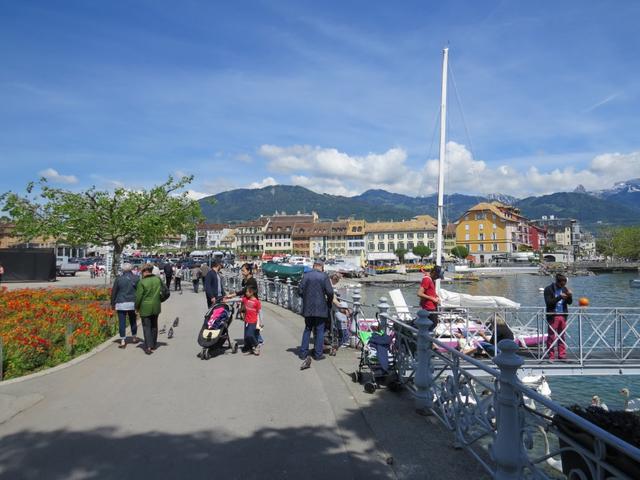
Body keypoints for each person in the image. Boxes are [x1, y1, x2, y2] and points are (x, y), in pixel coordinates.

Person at [298, 259, 334, 369]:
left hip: (308, 308)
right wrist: (328, 302)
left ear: (314, 266)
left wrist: (306, 298)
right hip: (320, 308)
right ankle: (318, 354)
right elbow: (330, 292)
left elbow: (300, 291)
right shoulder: (324, 276)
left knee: (307, 329)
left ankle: (303, 353)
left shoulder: (306, 276)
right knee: (320, 331)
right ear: (321, 267)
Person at [135, 263, 163, 355]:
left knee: (146, 327)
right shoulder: (157, 280)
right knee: (154, 325)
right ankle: (154, 344)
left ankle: (148, 346)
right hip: (156, 306)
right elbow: (165, 292)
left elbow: (138, 297)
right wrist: (160, 300)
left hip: (145, 307)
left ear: (144, 271)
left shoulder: (142, 282)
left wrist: (136, 307)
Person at [543, 273, 573, 360]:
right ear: (557, 282)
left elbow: (569, 302)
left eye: (564, 284)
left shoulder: (564, 289)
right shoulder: (548, 289)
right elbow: (548, 303)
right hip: (553, 315)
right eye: (561, 284)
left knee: (562, 336)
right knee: (551, 336)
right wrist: (559, 297)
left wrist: (570, 296)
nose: (562, 286)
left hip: (563, 315)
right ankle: (551, 355)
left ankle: (562, 355)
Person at [111, 263, 140, 348]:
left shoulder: (119, 279)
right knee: (133, 320)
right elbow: (139, 292)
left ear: (123, 269)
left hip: (121, 302)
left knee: (122, 322)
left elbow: (114, 292)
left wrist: (113, 304)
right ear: (131, 269)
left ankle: (123, 340)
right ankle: (134, 337)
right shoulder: (136, 278)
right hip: (132, 302)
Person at [241, 286, 262, 355]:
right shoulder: (246, 299)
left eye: (247, 292)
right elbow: (238, 299)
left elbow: (259, 312)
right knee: (247, 336)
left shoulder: (257, 302)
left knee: (250, 334)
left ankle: (256, 345)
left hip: (253, 321)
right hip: (247, 321)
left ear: (252, 292)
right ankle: (251, 348)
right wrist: (227, 299)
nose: (246, 293)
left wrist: (260, 322)